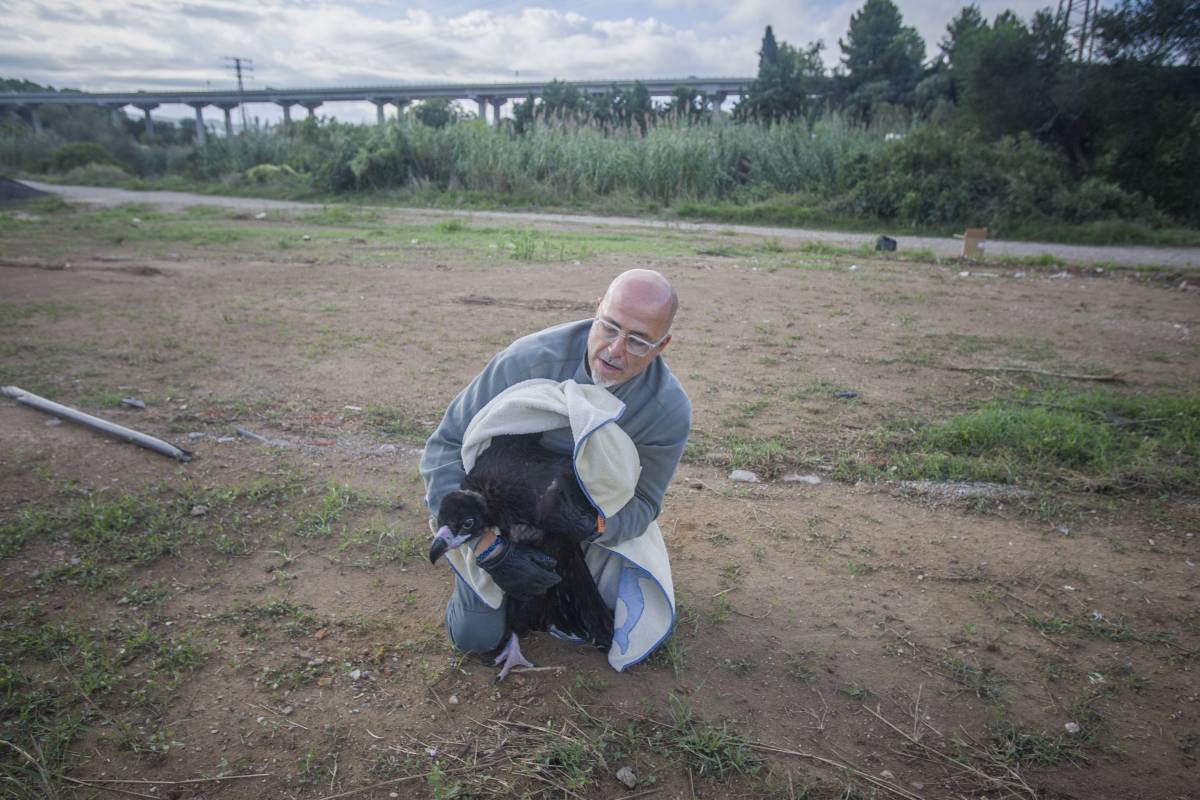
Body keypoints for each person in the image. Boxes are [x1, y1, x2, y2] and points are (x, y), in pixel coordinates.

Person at [420, 268, 692, 654]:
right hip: (496, 514)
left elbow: (645, 503)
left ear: (661, 345)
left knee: (615, 624)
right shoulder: (527, 360)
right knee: (475, 639)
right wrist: (485, 547)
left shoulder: (666, 410)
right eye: (610, 327)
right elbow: (446, 445)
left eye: (637, 341)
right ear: (596, 310)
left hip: (590, 514)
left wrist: (592, 527)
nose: (615, 349)